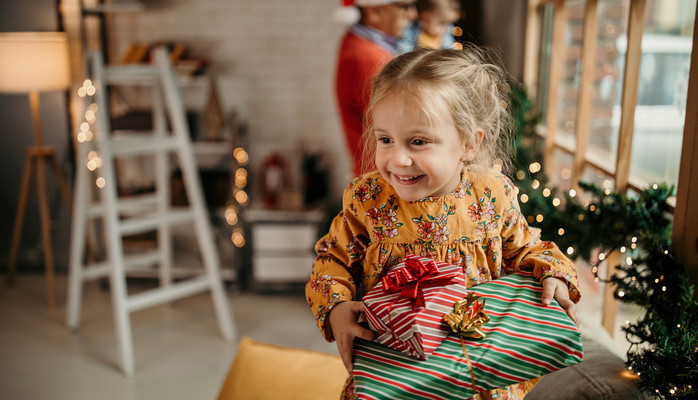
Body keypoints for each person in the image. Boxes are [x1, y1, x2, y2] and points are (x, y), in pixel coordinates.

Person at [306, 47, 581, 400]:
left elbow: (528, 250)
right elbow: (332, 261)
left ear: (469, 142)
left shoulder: (492, 195)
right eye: (385, 139)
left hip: (474, 372)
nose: (398, 159)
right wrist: (338, 309)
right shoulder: (367, 199)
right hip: (395, 373)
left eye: (418, 142)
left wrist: (553, 272)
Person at [334, 0, 417, 177]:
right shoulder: (369, 58)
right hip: (386, 180)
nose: (412, 14)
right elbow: (404, 122)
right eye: (404, 7)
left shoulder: (359, 46)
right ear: (375, 13)